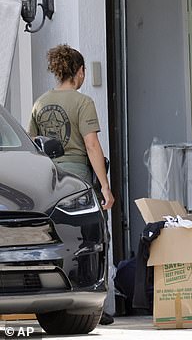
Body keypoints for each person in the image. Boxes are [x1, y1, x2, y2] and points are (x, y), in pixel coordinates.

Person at [28, 45, 115, 325]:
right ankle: (93, 305)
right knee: (91, 238)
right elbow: (92, 146)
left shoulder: (40, 103)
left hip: (48, 180)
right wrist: (105, 186)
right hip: (77, 180)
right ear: (79, 72)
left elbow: (32, 146)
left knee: (57, 240)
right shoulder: (83, 102)